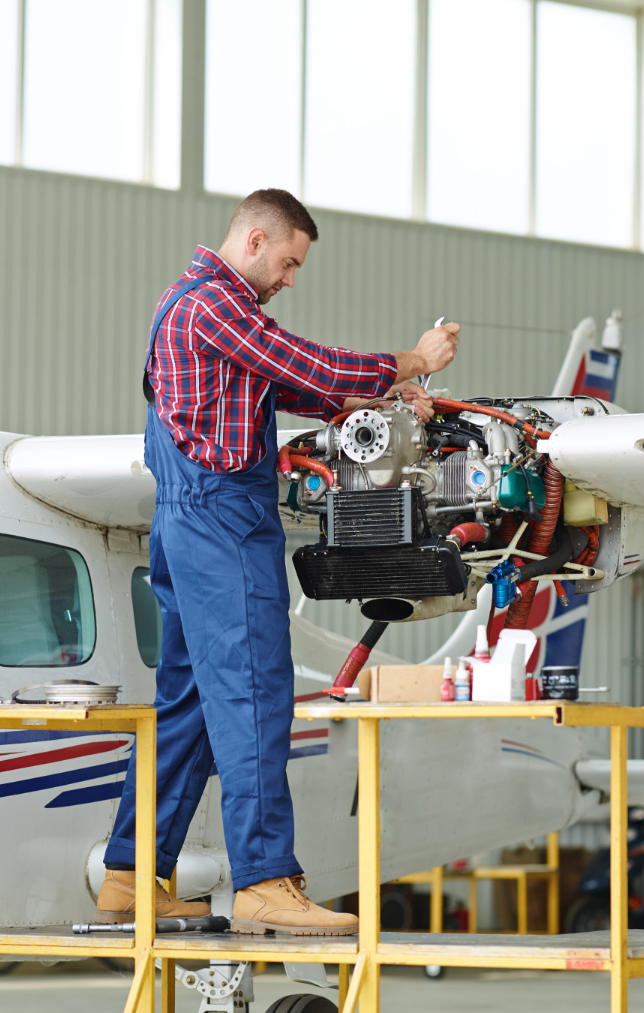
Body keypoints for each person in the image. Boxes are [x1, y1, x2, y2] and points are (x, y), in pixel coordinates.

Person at [96, 188, 460, 935]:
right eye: (290, 262)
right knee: (257, 692)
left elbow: (296, 388)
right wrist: (411, 358)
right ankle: (265, 879)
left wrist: (397, 392)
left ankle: (133, 875)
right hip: (223, 526)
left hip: (189, 523)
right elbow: (313, 369)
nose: (290, 279)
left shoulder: (212, 319)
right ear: (255, 239)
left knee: (191, 703)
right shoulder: (210, 306)